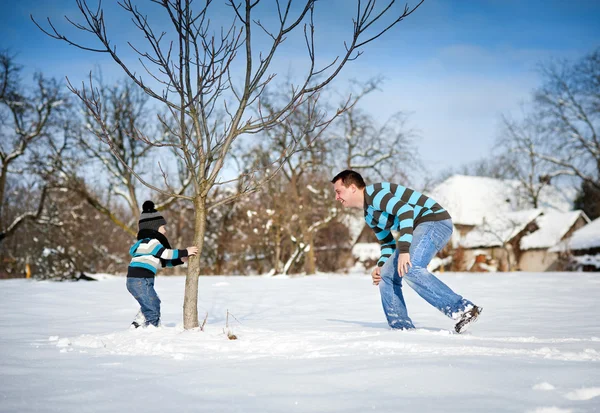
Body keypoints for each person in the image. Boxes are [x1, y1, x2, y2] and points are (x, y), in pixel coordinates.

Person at [331, 170, 482, 333]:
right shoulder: (369, 215)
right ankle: (401, 328)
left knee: (410, 267)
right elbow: (387, 242)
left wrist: (404, 251)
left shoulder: (376, 194)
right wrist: (381, 266)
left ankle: (463, 309)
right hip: (419, 228)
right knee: (386, 277)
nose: (337, 197)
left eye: (339, 192)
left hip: (433, 221)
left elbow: (405, 211)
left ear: (353, 187)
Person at [126, 200, 198, 328]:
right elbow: (166, 254)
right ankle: (152, 329)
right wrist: (185, 251)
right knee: (152, 306)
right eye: (163, 227)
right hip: (140, 280)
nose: (165, 231)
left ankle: (138, 323)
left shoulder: (147, 246)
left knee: (153, 302)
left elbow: (161, 263)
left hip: (139, 279)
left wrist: (180, 260)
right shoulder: (151, 242)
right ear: (154, 228)